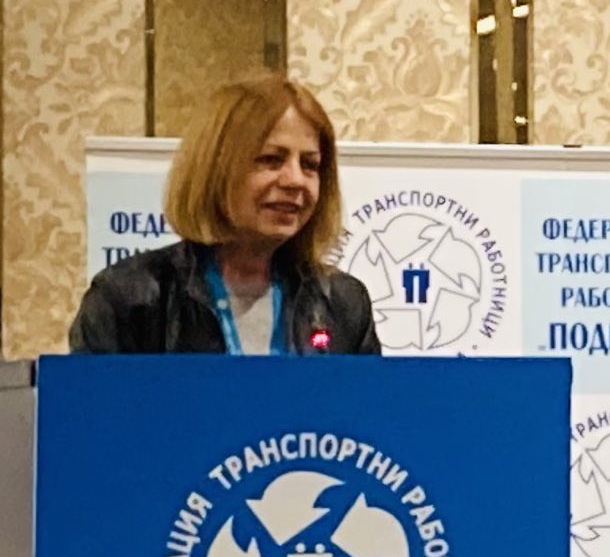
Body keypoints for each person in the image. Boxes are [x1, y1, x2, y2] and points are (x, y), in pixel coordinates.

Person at [69, 72, 381, 355]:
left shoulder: (344, 303)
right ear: (215, 169)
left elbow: (366, 402)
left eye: (310, 165)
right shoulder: (127, 297)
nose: (295, 180)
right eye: (271, 159)